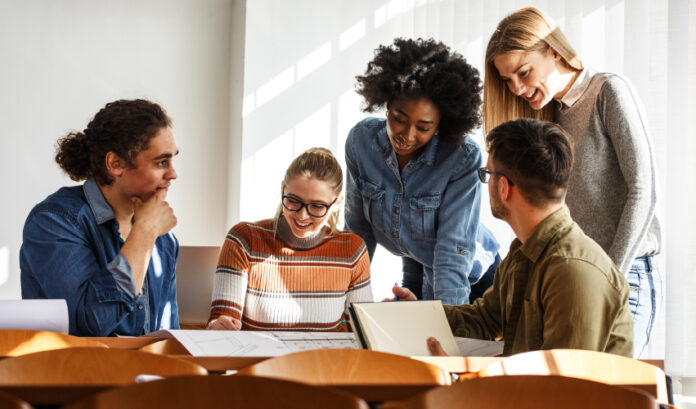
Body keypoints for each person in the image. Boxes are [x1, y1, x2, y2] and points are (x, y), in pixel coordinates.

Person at [483, 7, 660, 357]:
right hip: (571, 277)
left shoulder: (608, 92)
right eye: (507, 80)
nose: (517, 88)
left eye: (523, 72)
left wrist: (609, 277)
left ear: (553, 50)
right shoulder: (548, 114)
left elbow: (644, 191)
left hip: (624, 273)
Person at [394, 118, 634, 357]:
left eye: (486, 174)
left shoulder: (573, 271)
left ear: (504, 187)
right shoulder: (524, 251)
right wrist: (419, 315)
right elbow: (485, 319)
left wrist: (460, 379)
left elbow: (562, 387)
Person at [345, 38, 500, 307]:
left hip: (471, 278)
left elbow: (451, 252)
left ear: (441, 124)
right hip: (416, 261)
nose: (406, 135)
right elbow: (357, 232)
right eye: (399, 118)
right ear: (387, 103)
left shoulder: (462, 158)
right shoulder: (362, 142)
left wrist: (450, 325)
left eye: (424, 127)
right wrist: (348, 304)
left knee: (443, 341)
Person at [20, 99, 180, 336]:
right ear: (115, 164)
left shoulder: (165, 240)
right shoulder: (54, 221)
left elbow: (166, 337)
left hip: (144, 372)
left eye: (173, 160)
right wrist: (144, 233)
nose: (173, 174)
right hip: (74, 371)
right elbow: (91, 324)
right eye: (161, 162)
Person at [207, 148, 372, 331]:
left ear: (337, 202)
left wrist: (390, 316)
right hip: (260, 360)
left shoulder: (352, 250)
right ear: (282, 189)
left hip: (326, 360)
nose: (302, 215)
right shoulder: (244, 240)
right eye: (293, 200)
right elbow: (219, 326)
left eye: (317, 206)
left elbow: (362, 334)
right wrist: (218, 327)